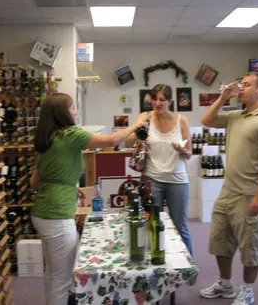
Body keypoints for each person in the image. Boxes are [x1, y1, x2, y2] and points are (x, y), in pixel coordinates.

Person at [30, 93, 147, 305]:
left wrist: (64, 185)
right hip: (57, 215)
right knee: (62, 279)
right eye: (72, 108)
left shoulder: (45, 140)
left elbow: (35, 183)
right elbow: (112, 140)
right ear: (61, 113)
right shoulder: (71, 134)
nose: (75, 112)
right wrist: (137, 123)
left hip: (41, 213)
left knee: (51, 274)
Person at [199, 72, 258, 305]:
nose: (241, 88)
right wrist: (222, 97)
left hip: (249, 195)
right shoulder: (235, 116)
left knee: (249, 248)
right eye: (241, 84)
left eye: (247, 85)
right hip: (227, 192)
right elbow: (206, 120)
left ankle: (248, 290)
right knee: (220, 241)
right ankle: (225, 284)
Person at [126, 84, 193, 256]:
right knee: (152, 223)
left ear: (170, 101)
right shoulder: (144, 116)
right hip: (153, 178)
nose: (157, 103)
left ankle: (188, 265)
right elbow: (128, 142)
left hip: (177, 180)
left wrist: (182, 150)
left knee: (180, 226)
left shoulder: (181, 120)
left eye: (162, 100)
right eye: (154, 99)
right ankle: (154, 263)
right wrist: (139, 133)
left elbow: (189, 154)